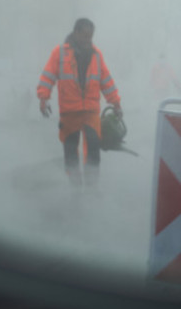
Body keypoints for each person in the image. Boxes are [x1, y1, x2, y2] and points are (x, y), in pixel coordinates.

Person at [37, 18, 122, 187]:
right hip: (69, 112)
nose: (88, 40)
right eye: (84, 36)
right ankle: (75, 186)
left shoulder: (96, 55)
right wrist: (43, 98)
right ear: (75, 33)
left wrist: (116, 103)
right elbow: (48, 76)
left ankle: (91, 187)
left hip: (90, 112)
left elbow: (106, 81)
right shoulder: (60, 53)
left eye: (90, 37)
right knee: (70, 151)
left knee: (93, 149)